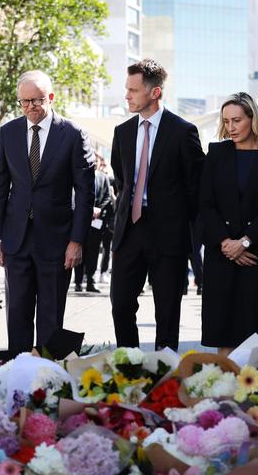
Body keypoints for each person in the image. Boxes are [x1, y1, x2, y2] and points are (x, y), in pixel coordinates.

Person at [0, 70, 95, 352]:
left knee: (51, 316)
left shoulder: (72, 134)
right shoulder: (8, 132)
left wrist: (77, 241)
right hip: (16, 239)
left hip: (58, 241)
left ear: (50, 98)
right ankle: (19, 375)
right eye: (23, 102)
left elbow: (85, 193)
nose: (29, 108)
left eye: (35, 101)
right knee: (17, 313)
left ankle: (47, 377)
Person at [110, 59, 205, 351]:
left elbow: (196, 188)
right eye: (127, 89)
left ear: (155, 92)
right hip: (130, 231)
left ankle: (165, 374)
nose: (127, 95)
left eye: (134, 90)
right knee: (121, 304)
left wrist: (190, 237)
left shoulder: (182, 131)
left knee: (167, 311)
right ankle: (129, 365)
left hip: (169, 235)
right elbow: (121, 181)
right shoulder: (122, 132)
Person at [199, 92, 258, 356]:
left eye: (237, 120)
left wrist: (245, 242)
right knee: (222, 323)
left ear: (252, 117)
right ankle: (224, 384)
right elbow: (206, 203)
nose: (231, 127)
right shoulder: (216, 153)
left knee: (253, 321)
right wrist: (226, 243)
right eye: (226, 121)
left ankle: (255, 387)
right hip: (221, 251)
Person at [74, 153, 112, 293]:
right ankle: (78, 281)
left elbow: (107, 196)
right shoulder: (80, 175)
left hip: (96, 222)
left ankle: (91, 280)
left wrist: (99, 209)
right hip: (81, 219)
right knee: (79, 248)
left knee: (94, 252)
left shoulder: (103, 178)